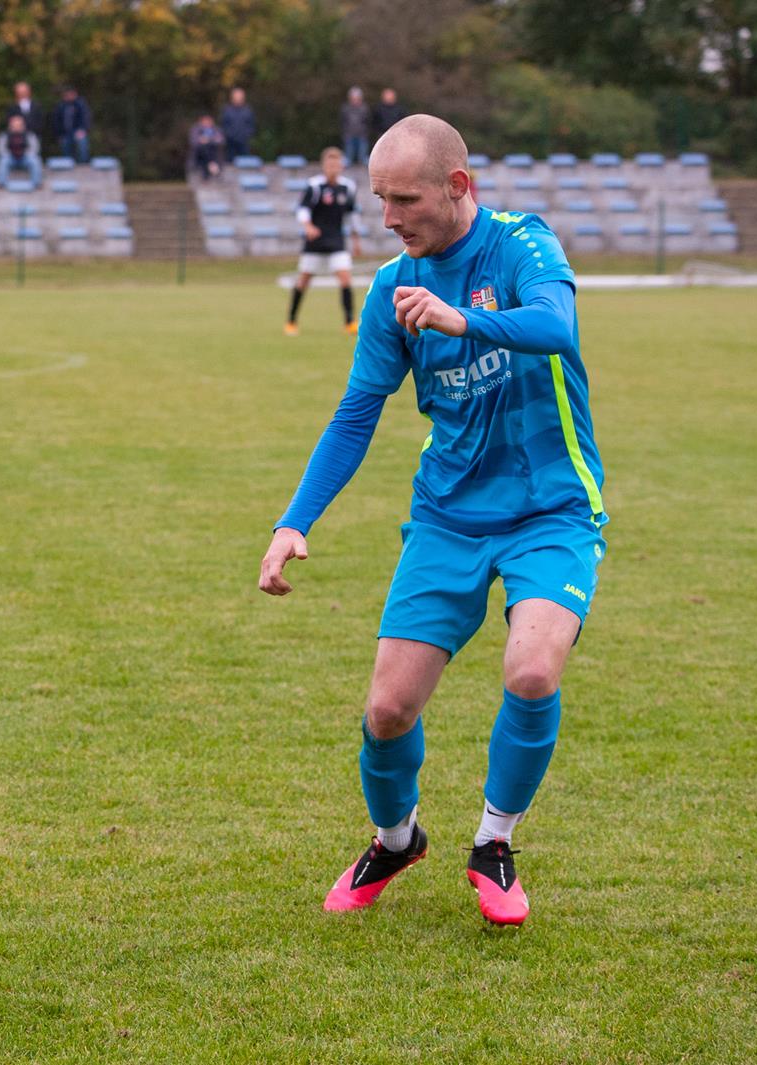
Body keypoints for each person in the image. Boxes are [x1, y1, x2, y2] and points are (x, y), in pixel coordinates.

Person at [258, 115, 604, 927]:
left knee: (531, 670)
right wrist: (293, 519)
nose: (387, 218)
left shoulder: (521, 244)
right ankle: (396, 837)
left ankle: (493, 842)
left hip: (551, 505)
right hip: (447, 514)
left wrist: (465, 320)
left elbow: (557, 326)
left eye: (404, 198)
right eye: (380, 199)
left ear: (459, 187)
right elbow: (355, 415)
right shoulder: (389, 290)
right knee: (387, 711)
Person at [285, 147, 363, 337]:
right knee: (303, 280)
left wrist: (356, 239)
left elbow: (352, 215)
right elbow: (302, 209)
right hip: (315, 242)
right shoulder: (315, 186)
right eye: (330, 165)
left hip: (336, 241)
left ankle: (349, 321)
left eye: (336, 164)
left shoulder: (347, 188)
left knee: (345, 278)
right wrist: (308, 226)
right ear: (324, 166)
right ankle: (291, 320)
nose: (333, 168)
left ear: (341, 166)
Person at [0, 114, 42, 188]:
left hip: (25, 157)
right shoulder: (4, 135)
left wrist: (25, 153)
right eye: (14, 125)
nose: (17, 127)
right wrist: (9, 154)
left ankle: (36, 183)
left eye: (19, 125)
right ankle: (2, 183)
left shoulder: (30, 135)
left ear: (23, 125)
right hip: (10, 158)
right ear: (10, 126)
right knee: (2, 161)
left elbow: (35, 148)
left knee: (35, 161)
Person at [51, 86, 91, 164]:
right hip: (65, 133)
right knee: (65, 144)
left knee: (82, 142)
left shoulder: (81, 105)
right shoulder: (60, 106)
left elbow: (86, 119)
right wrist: (59, 134)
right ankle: (68, 165)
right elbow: (56, 121)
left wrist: (82, 130)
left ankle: (83, 164)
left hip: (78, 131)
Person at [220, 87, 256, 161]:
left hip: (244, 141)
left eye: (240, 96)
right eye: (236, 96)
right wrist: (229, 135)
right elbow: (223, 125)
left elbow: (251, 125)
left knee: (246, 162)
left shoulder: (248, 110)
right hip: (230, 142)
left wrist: (246, 135)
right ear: (232, 97)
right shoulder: (226, 110)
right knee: (230, 162)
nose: (238, 98)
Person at [340, 86, 371, 166]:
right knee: (348, 159)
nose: (355, 99)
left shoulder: (365, 108)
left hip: (362, 134)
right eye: (353, 97)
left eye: (357, 97)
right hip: (349, 134)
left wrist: (365, 132)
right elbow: (343, 121)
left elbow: (368, 121)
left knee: (363, 158)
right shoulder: (345, 108)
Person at [188, 114, 225, 179]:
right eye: (205, 121)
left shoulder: (216, 129)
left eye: (209, 121)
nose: (207, 123)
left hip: (213, 152)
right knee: (203, 148)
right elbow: (193, 141)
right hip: (199, 155)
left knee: (208, 147)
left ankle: (210, 165)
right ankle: (212, 164)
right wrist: (202, 140)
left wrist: (209, 140)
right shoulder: (196, 130)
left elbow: (221, 140)